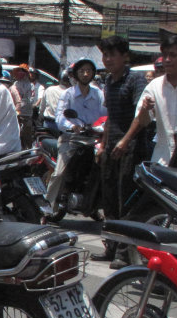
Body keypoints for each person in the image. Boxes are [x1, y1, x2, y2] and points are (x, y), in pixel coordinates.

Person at [116, 34, 177, 170]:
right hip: (162, 159)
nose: (167, 60)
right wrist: (145, 109)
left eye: (173, 55)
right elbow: (143, 121)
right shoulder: (154, 86)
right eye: (164, 55)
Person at [95, 35, 148, 265]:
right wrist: (104, 144)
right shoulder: (108, 81)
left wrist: (125, 141)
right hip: (111, 145)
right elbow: (109, 118)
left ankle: (124, 253)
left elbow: (140, 116)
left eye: (112, 55)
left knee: (124, 199)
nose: (107, 59)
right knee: (108, 200)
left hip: (131, 146)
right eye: (105, 55)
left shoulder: (135, 80)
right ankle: (111, 245)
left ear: (124, 56)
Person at [46, 58, 104, 209]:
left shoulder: (98, 94)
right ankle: (47, 207)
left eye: (89, 71)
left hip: (93, 139)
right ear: (76, 74)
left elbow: (106, 113)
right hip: (71, 139)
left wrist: (103, 126)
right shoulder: (68, 94)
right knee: (59, 173)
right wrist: (72, 126)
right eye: (82, 71)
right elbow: (60, 117)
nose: (85, 74)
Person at [8, 62, 41, 145]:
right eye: (19, 71)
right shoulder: (15, 85)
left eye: (23, 71)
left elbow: (31, 99)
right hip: (17, 112)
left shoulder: (30, 85)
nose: (20, 73)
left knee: (27, 134)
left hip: (27, 113)